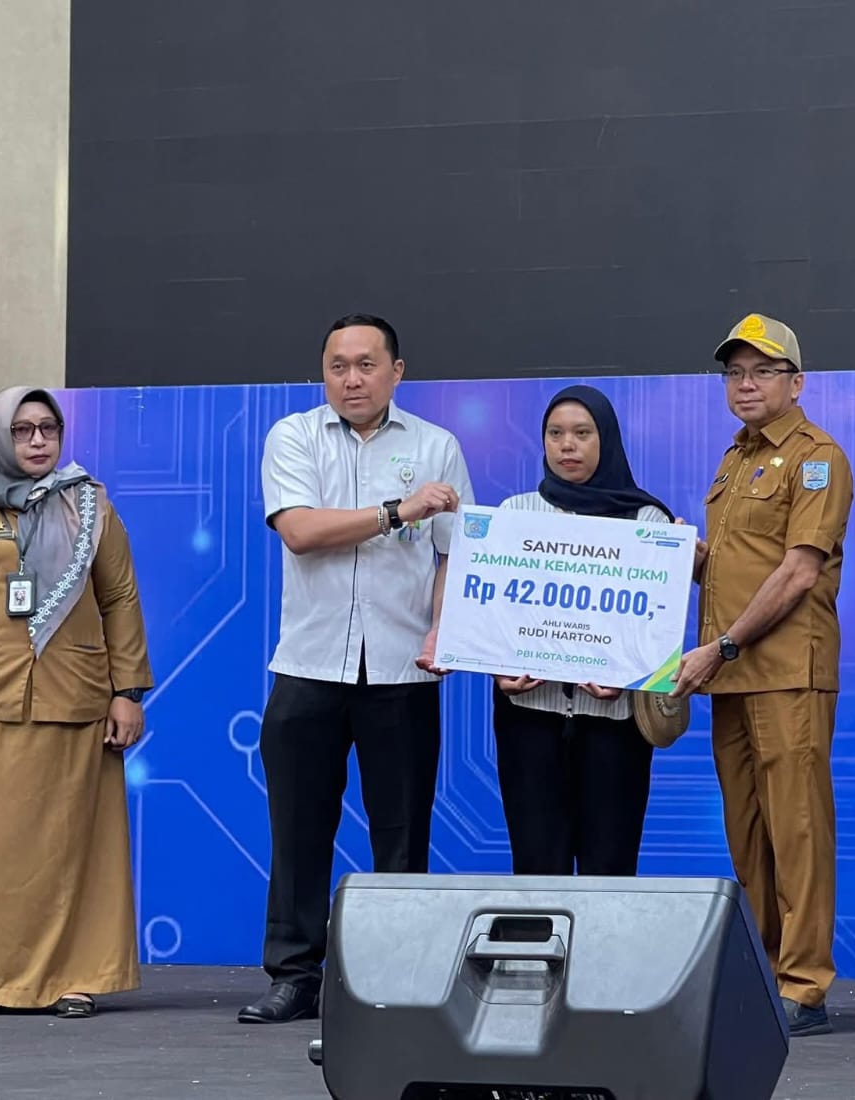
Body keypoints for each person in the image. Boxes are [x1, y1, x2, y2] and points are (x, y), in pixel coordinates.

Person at [240, 313, 474, 1024]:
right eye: (337, 366)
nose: (351, 379)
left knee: (401, 833)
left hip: (403, 668)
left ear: (396, 372)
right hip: (309, 664)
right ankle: (294, 975)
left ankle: (397, 978)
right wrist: (397, 511)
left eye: (367, 364)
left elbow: (453, 553)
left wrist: (441, 630)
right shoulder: (293, 437)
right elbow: (301, 531)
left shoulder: (436, 445)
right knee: (298, 829)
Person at [0, 386, 153, 1019]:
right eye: (22, 430)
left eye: (48, 429)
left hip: (75, 706)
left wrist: (127, 692)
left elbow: (120, 598)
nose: (39, 441)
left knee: (73, 851)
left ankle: (77, 977)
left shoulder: (91, 506)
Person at [671, 313, 852, 1037]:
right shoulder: (733, 460)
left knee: (797, 829)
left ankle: (804, 984)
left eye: (763, 372)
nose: (746, 385)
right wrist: (674, 558)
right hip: (733, 676)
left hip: (783, 674)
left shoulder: (817, 457)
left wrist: (721, 646)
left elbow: (799, 572)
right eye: (735, 373)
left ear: (796, 383)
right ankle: (766, 971)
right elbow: (732, 566)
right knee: (748, 832)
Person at [493, 385, 674, 875]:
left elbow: (659, 629)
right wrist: (498, 671)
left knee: (609, 868)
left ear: (606, 438)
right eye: (555, 434)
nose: (566, 445)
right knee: (536, 867)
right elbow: (492, 616)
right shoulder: (514, 515)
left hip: (614, 725)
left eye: (581, 433)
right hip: (529, 718)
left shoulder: (648, 520)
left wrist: (630, 675)